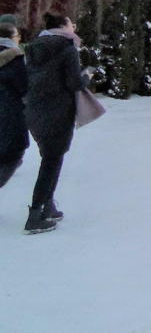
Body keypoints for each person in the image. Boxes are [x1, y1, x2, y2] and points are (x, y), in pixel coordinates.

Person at [23, 13, 87, 234]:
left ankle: (48, 205)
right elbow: (73, 83)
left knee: (51, 156)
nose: (73, 27)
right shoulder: (67, 48)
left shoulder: (33, 47)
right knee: (51, 160)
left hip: (34, 111)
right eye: (71, 24)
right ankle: (35, 215)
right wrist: (86, 77)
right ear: (63, 27)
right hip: (58, 111)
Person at [0, 23, 29, 191]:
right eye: (17, 36)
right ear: (10, 38)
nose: (19, 39)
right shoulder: (15, 58)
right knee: (13, 154)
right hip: (8, 111)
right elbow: (23, 87)